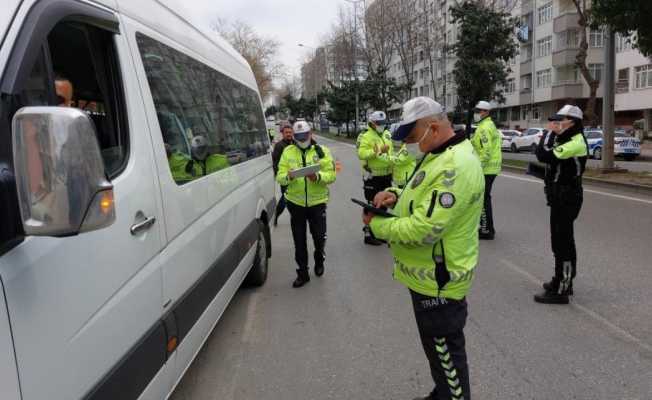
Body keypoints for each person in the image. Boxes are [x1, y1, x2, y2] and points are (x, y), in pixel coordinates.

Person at [364, 97, 484, 400]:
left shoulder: (455, 165)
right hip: (427, 277)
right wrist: (393, 195)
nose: (412, 143)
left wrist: (376, 225)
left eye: (414, 136)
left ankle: (450, 394)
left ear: (432, 126)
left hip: (440, 282)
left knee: (446, 355)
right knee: (437, 353)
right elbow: (418, 192)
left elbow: (426, 228)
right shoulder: (438, 154)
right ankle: (442, 391)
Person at [533, 105, 588, 305]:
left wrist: (548, 133)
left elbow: (544, 155)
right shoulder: (566, 139)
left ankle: (562, 290)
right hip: (559, 196)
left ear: (572, 122)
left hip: (567, 197)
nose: (556, 123)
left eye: (560, 120)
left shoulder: (575, 142)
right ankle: (562, 279)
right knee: (560, 241)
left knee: (563, 243)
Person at [276, 121, 336, 287]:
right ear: (294, 137)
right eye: (298, 137)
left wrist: (317, 177)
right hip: (296, 204)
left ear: (311, 134)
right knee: (299, 240)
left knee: (319, 237)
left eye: (305, 136)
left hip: (317, 203)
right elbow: (279, 176)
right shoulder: (287, 152)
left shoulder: (322, 151)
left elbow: (331, 175)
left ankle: (319, 259)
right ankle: (302, 272)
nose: (302, 139)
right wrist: (288, 176)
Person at [357, 110, 393, 245]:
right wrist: (377, 151)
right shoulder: (365, 136)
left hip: (387, 175)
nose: (381, 125)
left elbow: (391, 152)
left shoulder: (387, 134)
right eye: (379, 123)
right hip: (373, 176)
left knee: (383, 204)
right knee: (372, 205)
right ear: (372, 123)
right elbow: (361, 153)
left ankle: (379, 232)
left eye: (383, 123)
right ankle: (368, 233)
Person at [470, 100, 501, 240]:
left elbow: (486, 151)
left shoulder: (484, 127)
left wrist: (478, 167)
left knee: (483, 200)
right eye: (476, 111)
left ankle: (486, 230)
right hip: (490, 168)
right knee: (484, 198)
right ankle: (487, 228)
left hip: (486, 168)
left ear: (486, 112)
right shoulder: (486, 125)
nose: (476, 113)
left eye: (478, 111)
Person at [272, 123, 294, 226]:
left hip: (296, 176)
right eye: (286, 132)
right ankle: (276, 215)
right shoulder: (279, 146)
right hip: (285, 176)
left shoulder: (294, 143)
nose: (289, 134)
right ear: (282, 133)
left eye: (290, 132)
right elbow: (275, 162)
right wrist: (278, 175)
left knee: (293, 197)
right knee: (286, 198)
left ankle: (296, 216)